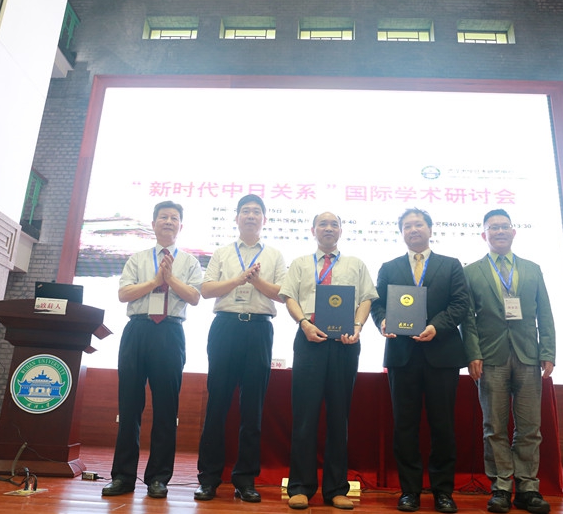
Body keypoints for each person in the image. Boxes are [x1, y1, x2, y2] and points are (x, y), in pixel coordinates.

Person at [370, 208, 470, 514]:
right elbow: (377, 304)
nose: (413, 230)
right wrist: (383, 321)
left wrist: (436, 327)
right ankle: (409, 491)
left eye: (418, 224)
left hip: (442, 355)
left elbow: (461, 304)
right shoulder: (389, 267)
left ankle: (443, 492)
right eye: (407, 226)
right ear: (402, 232)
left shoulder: (451, 265)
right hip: (402, 356)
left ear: (429, 228)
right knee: (405, 426)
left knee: (443, 426)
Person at [102, 200, 203, 499]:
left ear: (181, 225)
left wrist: (170, 279)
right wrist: (155, 281)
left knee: (166, 409)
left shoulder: (190, 262)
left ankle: (158, 478)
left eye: (174, 218)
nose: (168, 221)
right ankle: (123, 477)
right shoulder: (137, 259)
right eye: (163, 217)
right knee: (129, 407)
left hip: (170, 331)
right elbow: (124, 294)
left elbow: (194, 297)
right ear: (154, 223)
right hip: (138, 329)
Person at [279, 211, 378, 510]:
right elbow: (289, 297)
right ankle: (300, 487)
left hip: (345, 344)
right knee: (305, 417)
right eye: (323, 224)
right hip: (309, 340)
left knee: (339, 417)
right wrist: (303, 324)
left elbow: (366, 299)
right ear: (313, 230)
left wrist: (358, 327)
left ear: (341, 230)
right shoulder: (300, 263)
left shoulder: (355, 264)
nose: (328, 228)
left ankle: (336, 489)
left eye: (334, 224)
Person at [193, 194, 287, 503]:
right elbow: (207, 290)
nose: (250, 215)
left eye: (256, 211)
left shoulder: (274, 255)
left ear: (264, 219)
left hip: (259, 328)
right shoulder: (222, 252)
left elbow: (283, 294)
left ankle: (245, 480)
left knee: (252, 408)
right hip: (226, 327)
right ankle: (208, 479)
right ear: (236, 218)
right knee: (217, 404)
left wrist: (256, 281)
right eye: (245, 211)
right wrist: (238, 279)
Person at [462, 209, 555, 514]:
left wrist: (548, 351)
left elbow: (545, 313)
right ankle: (501, 486)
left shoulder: (532, 269)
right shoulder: (471, 271)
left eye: (504, 226)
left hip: (528, 355)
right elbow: (468, 319)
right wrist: (473, 353)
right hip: (490, 357)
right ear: (484, 235)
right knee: (494, 426)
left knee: (530, 427)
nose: (499, 231)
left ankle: (527, 487)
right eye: (493, 228)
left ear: (514, 232)